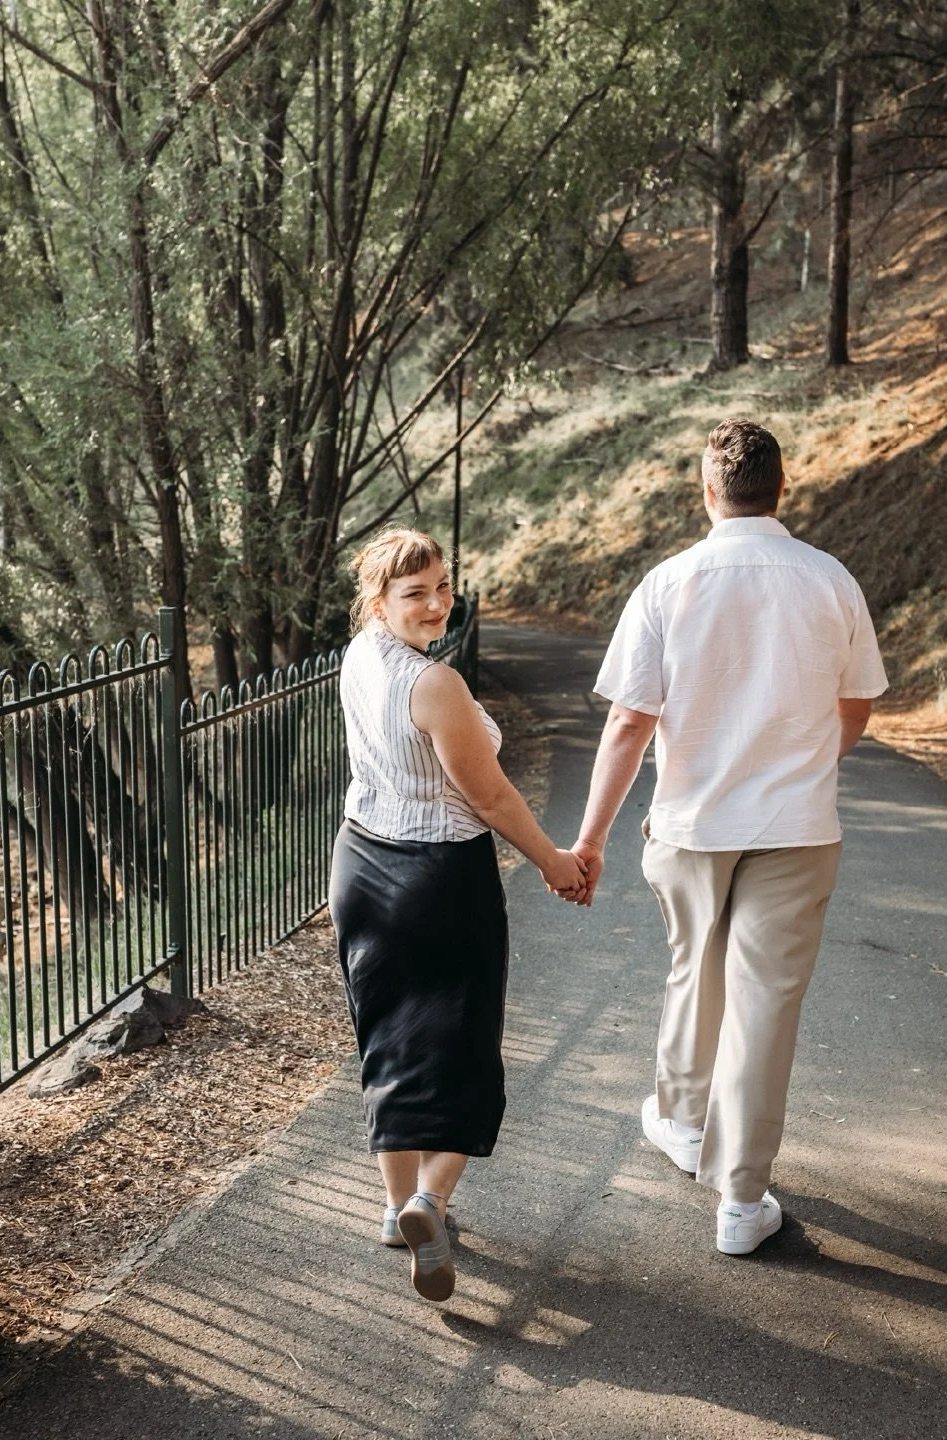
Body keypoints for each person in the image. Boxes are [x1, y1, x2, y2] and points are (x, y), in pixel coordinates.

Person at [572, 419, 887, 1255]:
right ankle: (742, 1205)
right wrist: (810, 756)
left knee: (692, 969)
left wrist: (592, 837)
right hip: (796, 824)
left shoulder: (667, 583)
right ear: (781, 490)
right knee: (763, 1008)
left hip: (692, 821)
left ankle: (679, 1120)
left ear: (707, 492)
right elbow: (857, 705)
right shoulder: (831, 580)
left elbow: (629, 724)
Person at [329, 528, 586, 1302]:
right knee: (466, 1051)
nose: (438, 605)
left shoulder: (356, 657)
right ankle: (428, 1203)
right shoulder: (434, 685)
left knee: (390, 1040)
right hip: (439, 877)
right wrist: (555, 862)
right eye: (416, 594)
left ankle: (391, 1206)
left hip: (363, 866)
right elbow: (491, 796)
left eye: (443, 587)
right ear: (378, 601)